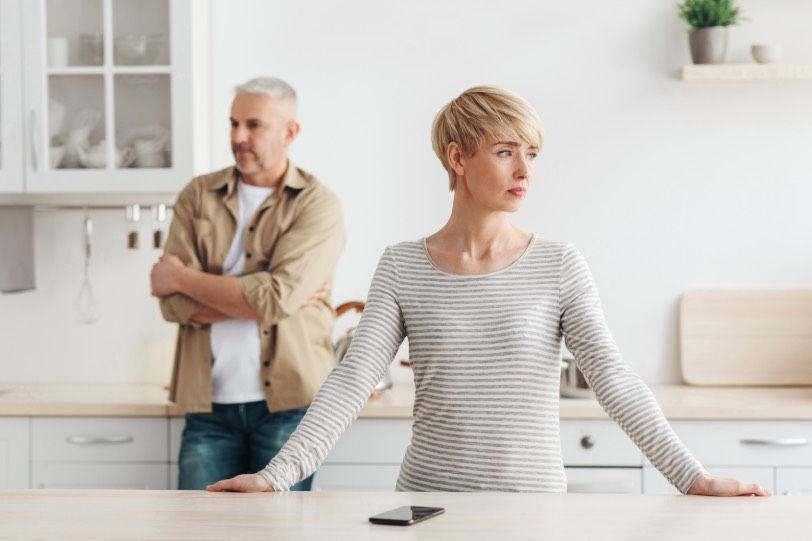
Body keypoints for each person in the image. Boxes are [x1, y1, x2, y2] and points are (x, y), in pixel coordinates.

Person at [206, 86, 769, 497]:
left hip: (534, 509)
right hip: (426, 506)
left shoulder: (559, 264)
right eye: (505, 151)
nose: (524, 168)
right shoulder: (403, 265)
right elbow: (351, 382)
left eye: (532, 153)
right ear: (458, 157)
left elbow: (613, 379)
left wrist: (695, 479)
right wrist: (274, 478)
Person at [150, 77, 345, 490]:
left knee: (280, 530)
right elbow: (171, 306)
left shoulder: (317, 204)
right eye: (233, 123)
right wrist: (267, 299)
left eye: (253, 125)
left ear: (290, 132)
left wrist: (182, 278)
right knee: (199, 531)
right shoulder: (197, 195)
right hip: (207, 404)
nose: (238, 137)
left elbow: (273, 298)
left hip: (289, 405)